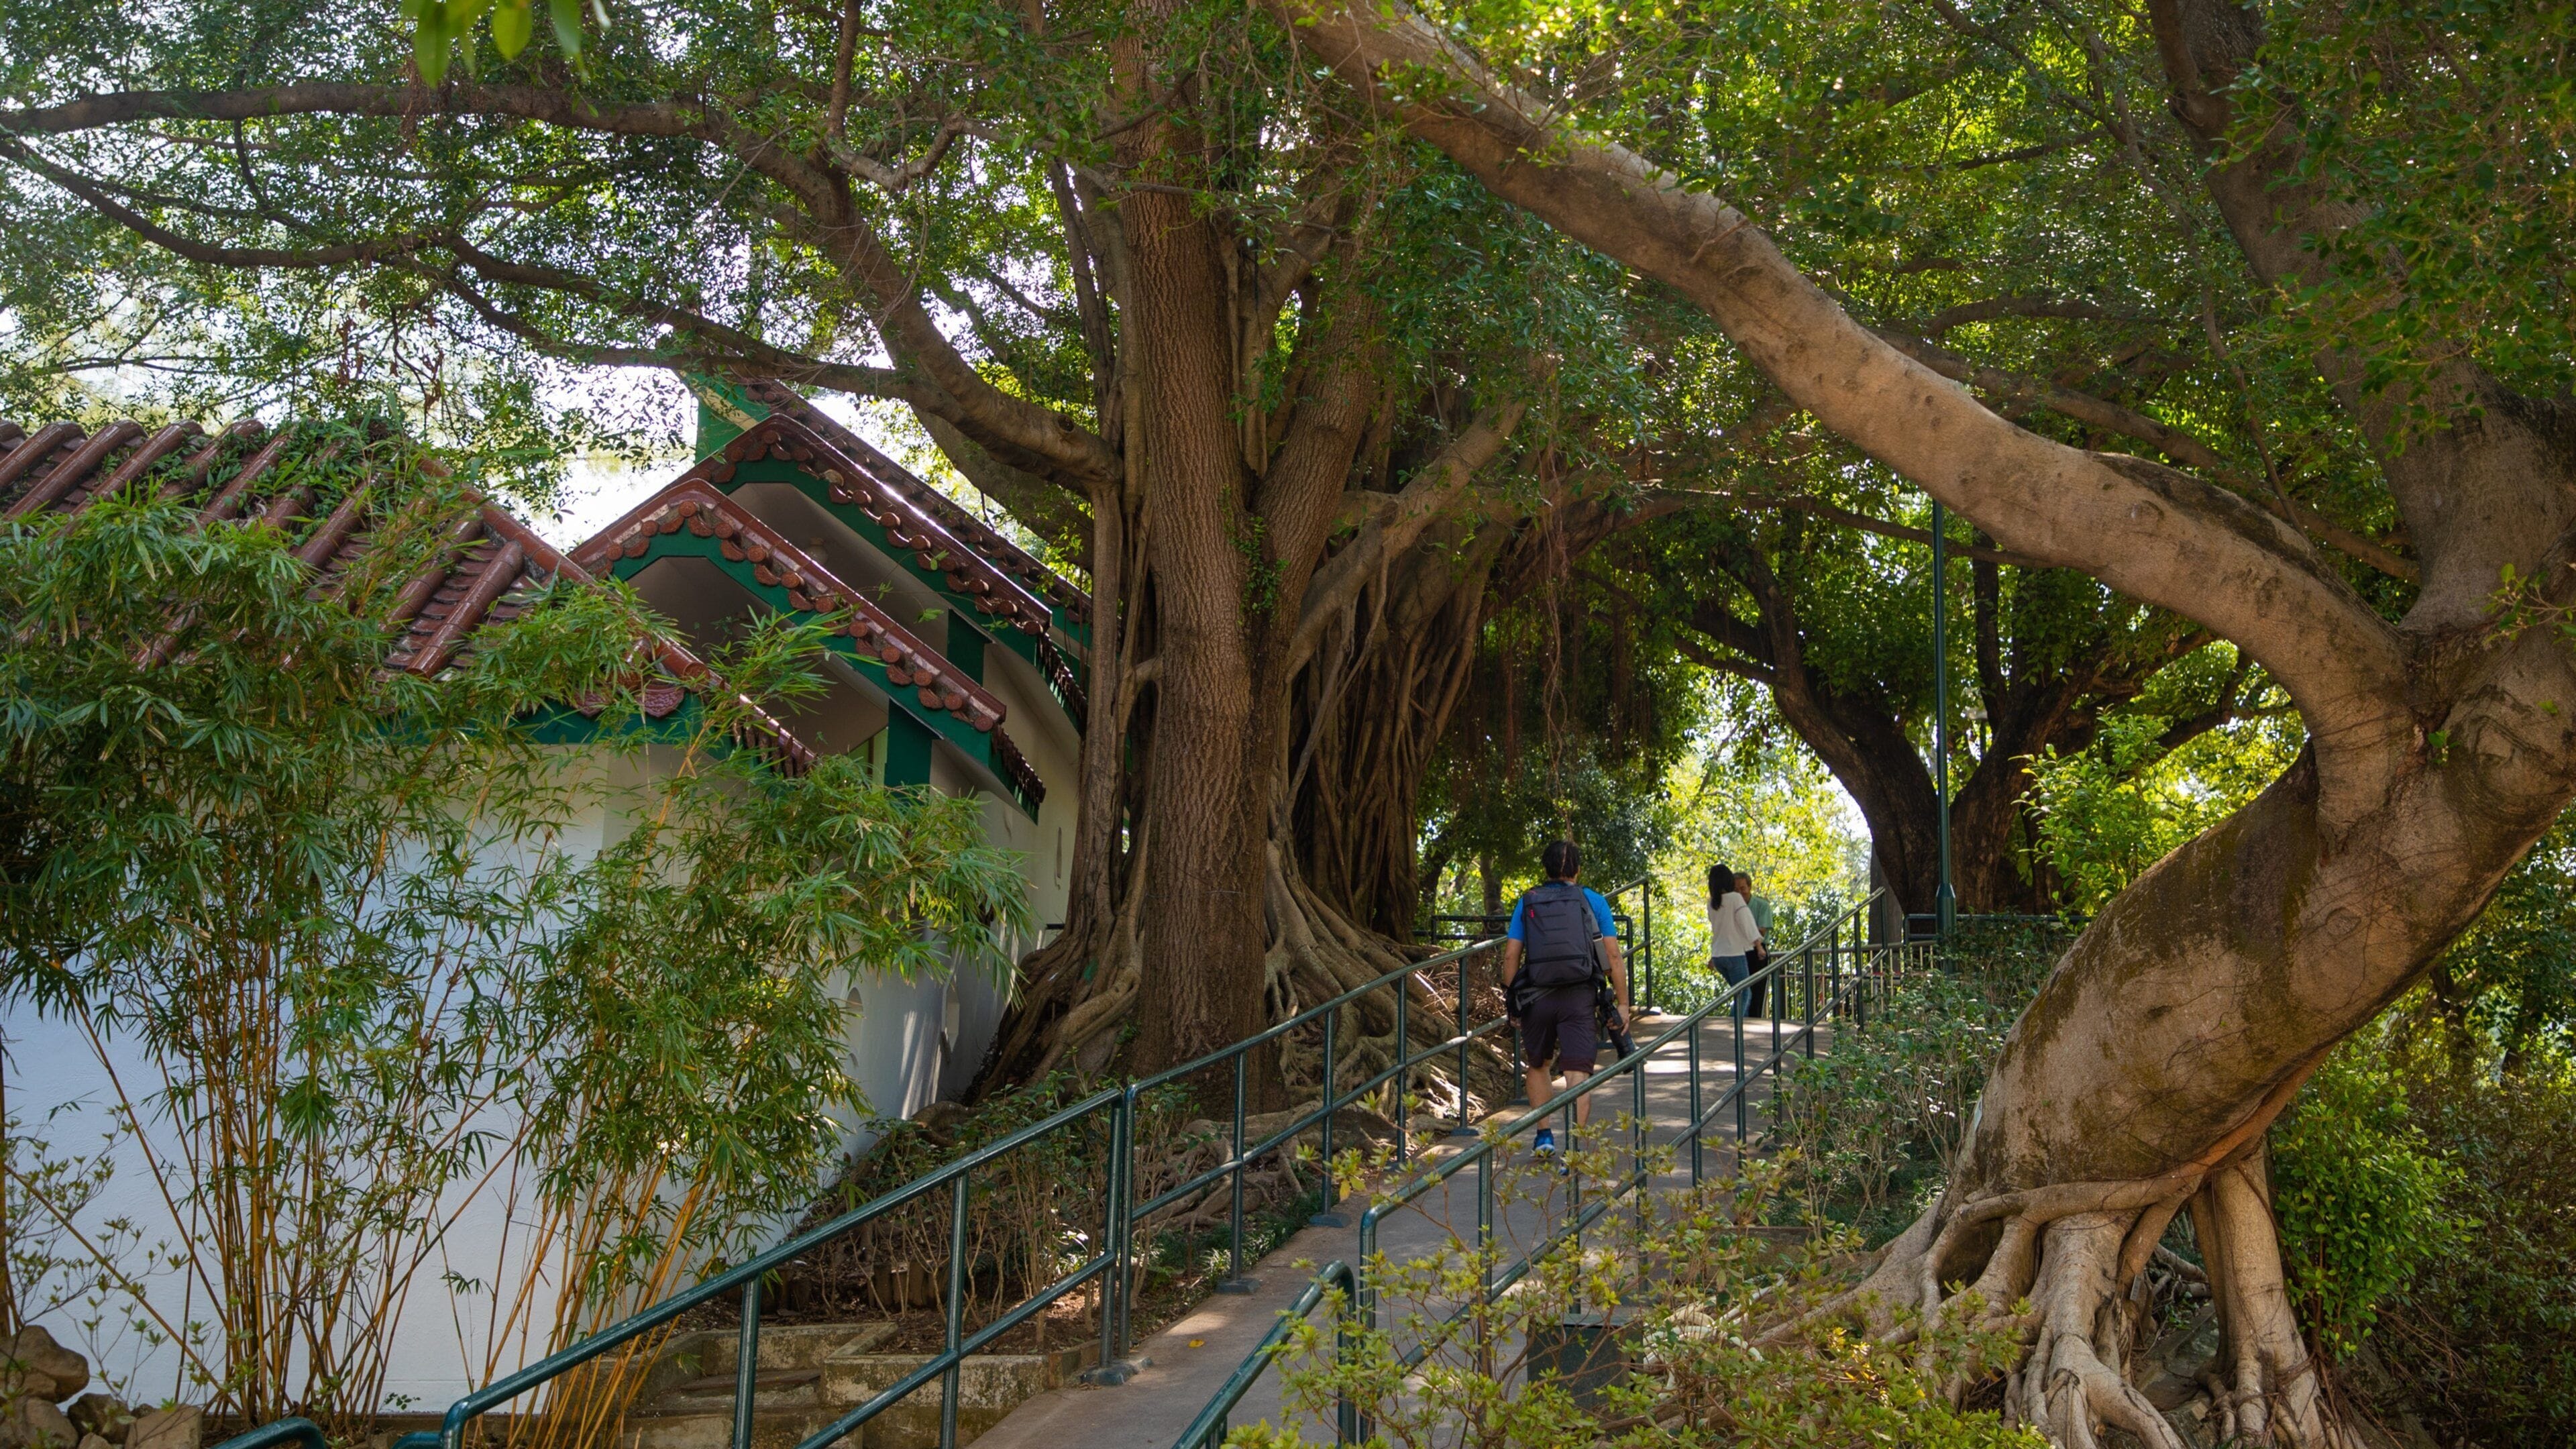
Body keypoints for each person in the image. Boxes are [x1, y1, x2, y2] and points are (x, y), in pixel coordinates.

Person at [1500, 839, 1631, 1160]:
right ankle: (1574, 1150)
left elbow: (1510, 956)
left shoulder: (1527, 901)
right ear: (1578, 869)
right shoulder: (1593, 902)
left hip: (1538, 996)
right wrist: (1624, 1003)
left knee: (1539, 1064)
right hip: (1580, 996)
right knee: (1577, 1073)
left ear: (1544, 869)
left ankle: (1544, 1137)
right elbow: (1613, 956)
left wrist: (1512, 999)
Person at [1706, 863, 1764, 1018]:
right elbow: (1747, 923)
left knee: (1739, 993)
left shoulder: (1712, 903)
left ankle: (1736, 1027)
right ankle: (1733, 1027)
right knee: (1744, 994)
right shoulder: (1735, 899)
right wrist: (1759, 946)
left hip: (1719, 956)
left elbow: (1720, 930)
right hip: (1734, 955)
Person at [1735, 870, 1774, 1017]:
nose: (1740, 893)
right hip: (1739, 950)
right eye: (1736, 890)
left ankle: (1754, 1020)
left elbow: (1762, 931)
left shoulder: (1762, 905)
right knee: (1741, 991)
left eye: (1743, 888)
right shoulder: (1732, 907)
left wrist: (1744, 931)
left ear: (1749, 887)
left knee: (1757, 991)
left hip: (1758, 952)